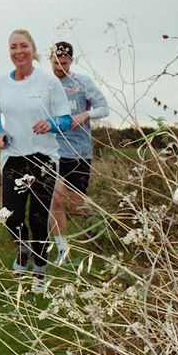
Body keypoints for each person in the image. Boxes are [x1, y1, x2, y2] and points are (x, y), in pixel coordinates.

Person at [0, 30, 71, 294]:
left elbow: (66, 119)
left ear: (33, 49)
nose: (18, 51)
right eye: (13, 47)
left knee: (38, 218)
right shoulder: (1, 84)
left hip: (43, 157)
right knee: (9, 216)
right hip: (13, 157)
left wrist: (51, 124)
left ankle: (39, 271)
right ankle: (23, 247)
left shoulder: (49, 82)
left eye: (23, 45)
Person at [47, 41, 109, 265]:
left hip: (79, 152)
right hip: (53, 152)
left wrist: (85, 115)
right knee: (55, 200)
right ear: (50, 61)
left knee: (76, 206)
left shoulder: (82, 82)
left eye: (64, 63)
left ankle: (101, 231)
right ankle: (62, 251)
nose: (59, 68)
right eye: (55, 63)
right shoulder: (44, 85)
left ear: (71, 61)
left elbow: (104, 108)